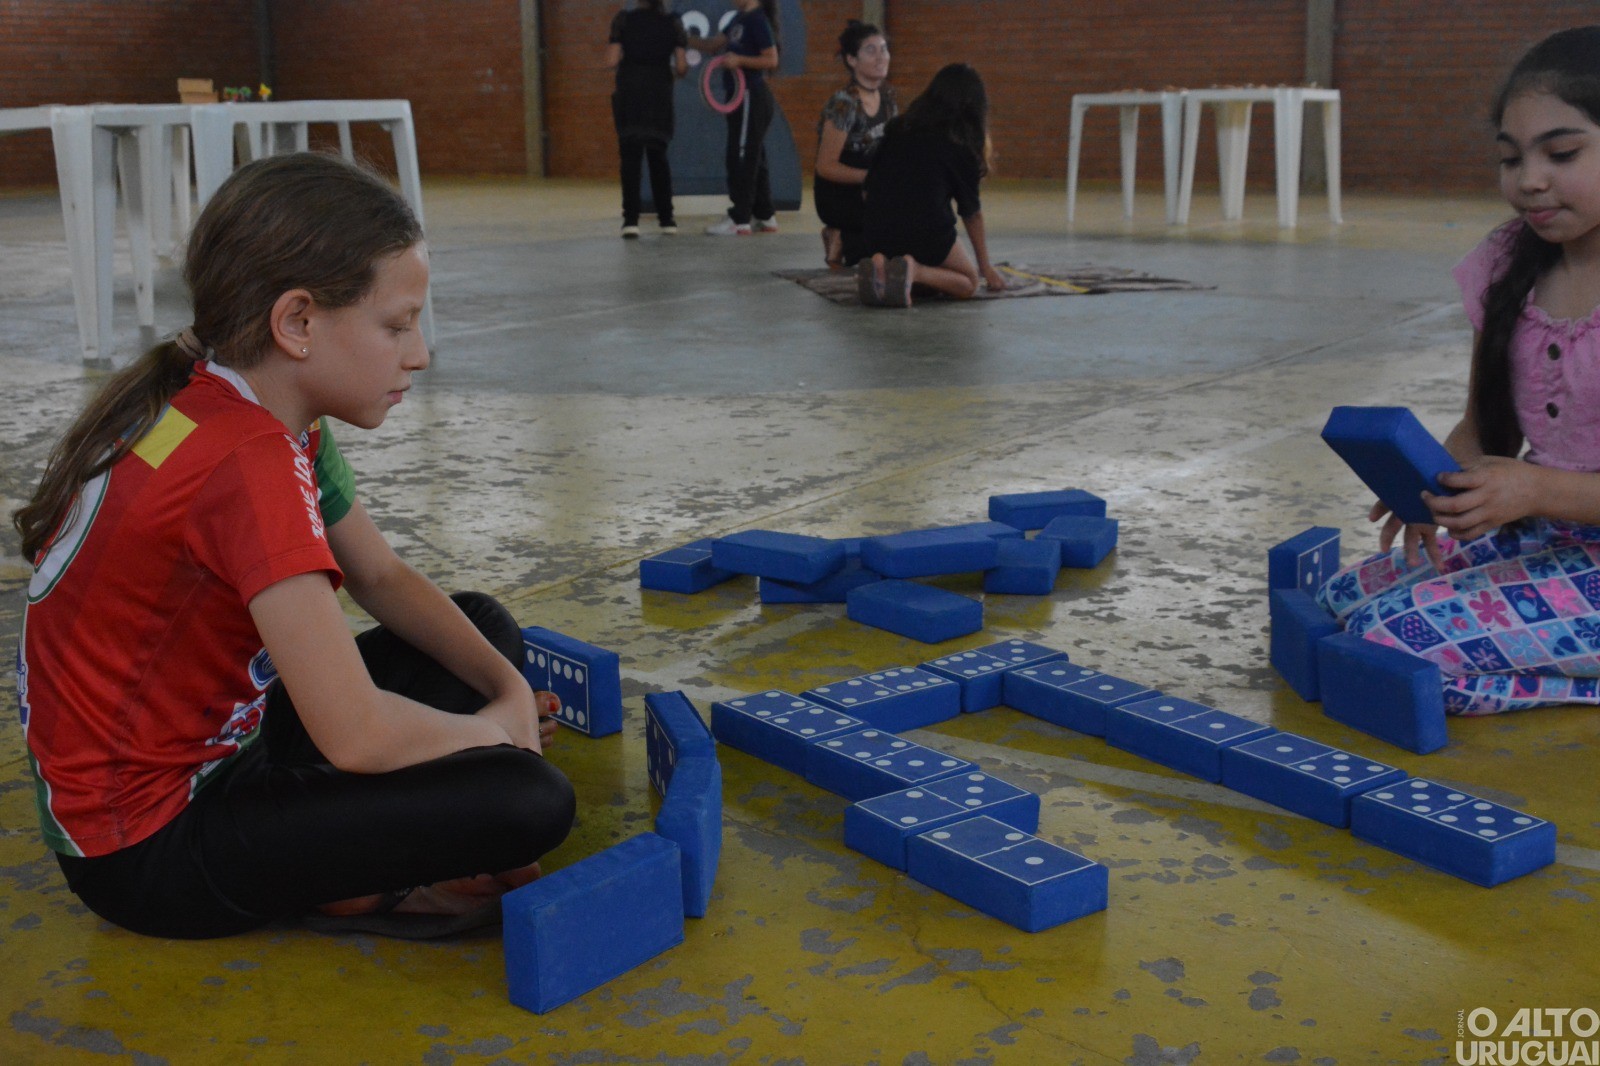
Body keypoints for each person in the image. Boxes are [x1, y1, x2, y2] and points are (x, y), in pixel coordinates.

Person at [12, 152, 576, 939]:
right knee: (529, 800)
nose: (418, 353)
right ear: (298, 322)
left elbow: (377, 573)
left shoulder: (242, 399)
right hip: (149, 851)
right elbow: (358, 733)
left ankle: (365, 841)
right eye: (396, 324)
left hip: (224, 738)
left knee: (480, 629)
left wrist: (506, 687)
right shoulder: (247, 465)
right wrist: (497, 737)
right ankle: (360, 888)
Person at [1315, 26, 1600, 715]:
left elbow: (1538, 487)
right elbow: (1480, 423)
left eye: (1561, 153)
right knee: (1342, 602)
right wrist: (1430, 493)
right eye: (1511, 158)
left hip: (1563, 528)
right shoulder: (1511, 263)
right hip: (1549, 535)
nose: (1529, 180)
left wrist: (1533, 488)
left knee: (1390, 641)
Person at [852, 63, 1008, 307]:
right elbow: (971, 213)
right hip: (925, 232)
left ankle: (881, 265)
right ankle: (916, 270)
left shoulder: (898, 127)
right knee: (967, 283)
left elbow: (867, 189)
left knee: (920, 277)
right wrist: (985, 268)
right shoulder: (960, 145)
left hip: (876, 231)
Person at [690, 0, 781, 236]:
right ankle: (765, 214)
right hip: (740, 96)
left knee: (740, 156)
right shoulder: (737, 20)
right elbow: (712, 46)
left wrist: (740, 61)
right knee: (754, 154)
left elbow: (771, 59)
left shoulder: (757, 20)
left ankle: (739, 219)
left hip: (751, 95)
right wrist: (681, 38)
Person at [814, 21, 894, 269]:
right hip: (839, 195)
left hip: (870, 190)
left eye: (884, 49)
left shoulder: (889, 101)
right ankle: (838, 231)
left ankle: (843, 236)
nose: (881, 57)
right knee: (869, 262)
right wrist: (871, 177)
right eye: (871, 50)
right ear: (851, 60)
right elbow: (825, 167)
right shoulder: (844, 104)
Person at [607, 0, 689, 238]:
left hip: (630, 93)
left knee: (630, 159)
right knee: (658, 158)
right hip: (659, 94)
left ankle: (631, 221)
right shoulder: (673, 23)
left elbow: (611, 60)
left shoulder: (623, 20)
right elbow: (682, 67)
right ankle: (667, 220)